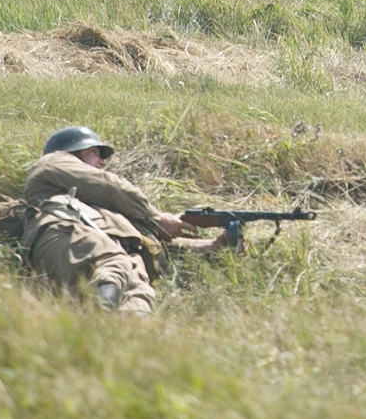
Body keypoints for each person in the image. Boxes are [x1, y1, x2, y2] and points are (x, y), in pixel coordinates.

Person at [17, 125, 221, 315]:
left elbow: (158, 243)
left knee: (138, 294)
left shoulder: (110, 209)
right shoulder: (54, 160)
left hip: (111, 250)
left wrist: (214, 245)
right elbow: (108, 185)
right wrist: (155, 216)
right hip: (64, 231)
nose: (102, 162)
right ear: (72, 152)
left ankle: (125, 342)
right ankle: (103, 318)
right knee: (113, 263)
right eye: (95, 152)